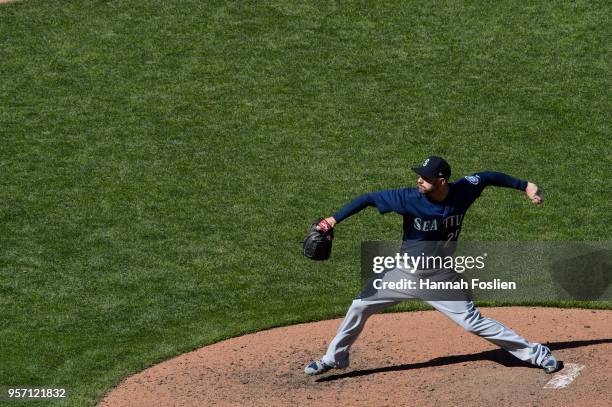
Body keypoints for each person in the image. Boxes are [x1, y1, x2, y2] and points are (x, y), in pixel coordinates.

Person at [304, 156, 561, 375]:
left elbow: (488, 176)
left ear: (441, 181)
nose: (419, 180)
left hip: (440, 276)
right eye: (419, 176)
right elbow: (369, 198)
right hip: (403, 273)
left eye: (425, 178)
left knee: (472, 322)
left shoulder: (463, 192)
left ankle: (535, 353)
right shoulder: (407, 198)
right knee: (360, 305)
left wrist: (525, 186)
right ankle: (335, 357)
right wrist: (331, 220)